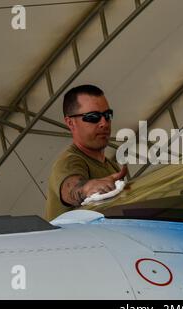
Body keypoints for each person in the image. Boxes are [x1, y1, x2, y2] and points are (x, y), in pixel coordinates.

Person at [46, 85, 127, 221]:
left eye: (107, 115)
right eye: (93, 117)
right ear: (70, 122)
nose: (104, 123)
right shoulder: (70, 161)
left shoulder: (111, 167)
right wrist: (86, 189)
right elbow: (71, 188)